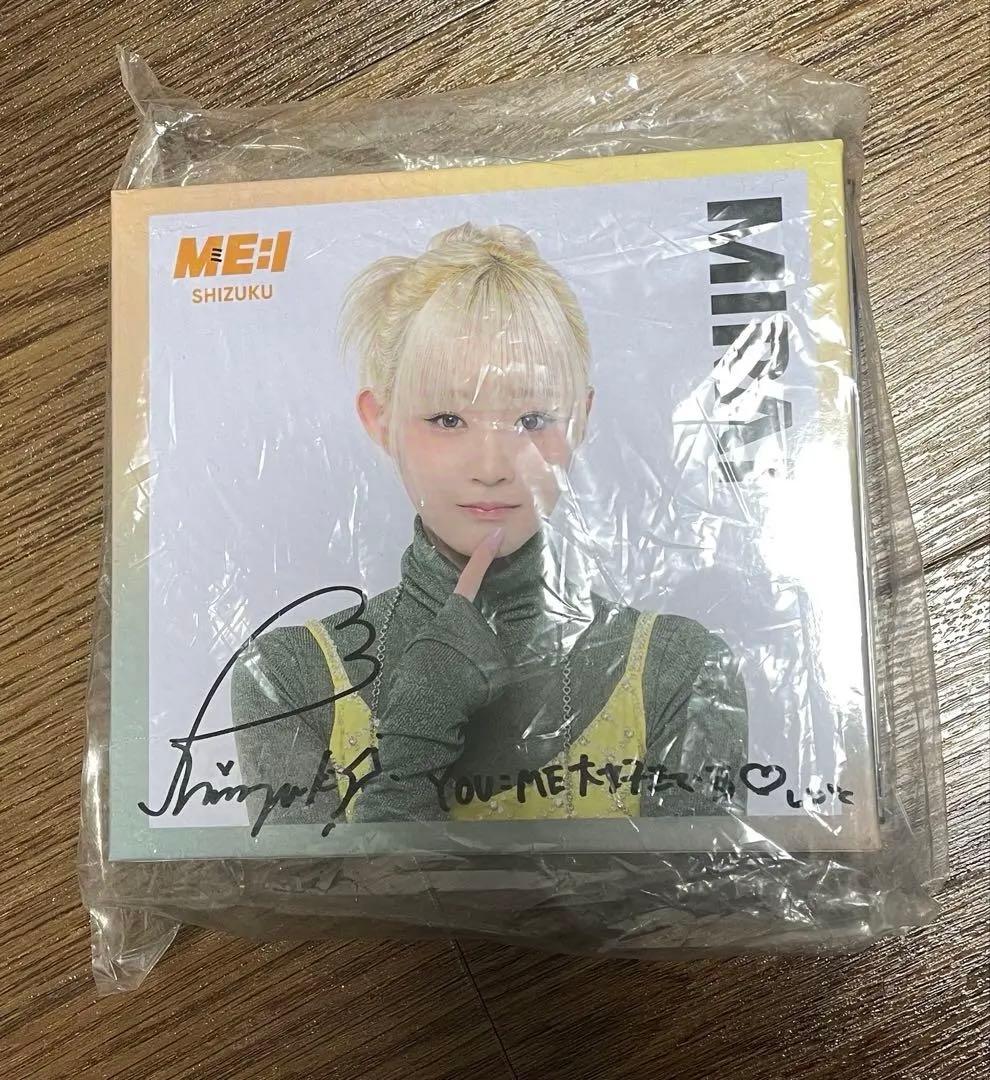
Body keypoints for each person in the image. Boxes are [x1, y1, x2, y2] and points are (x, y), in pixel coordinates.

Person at [232, 222, 748, 827]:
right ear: (380, 420)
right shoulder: (289, 676)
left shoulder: (681, 667)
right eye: (448, 419)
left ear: (580, 418)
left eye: (532, 419)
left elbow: (699, 887)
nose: (492, 466)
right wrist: (417, 736)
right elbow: (332, 896)